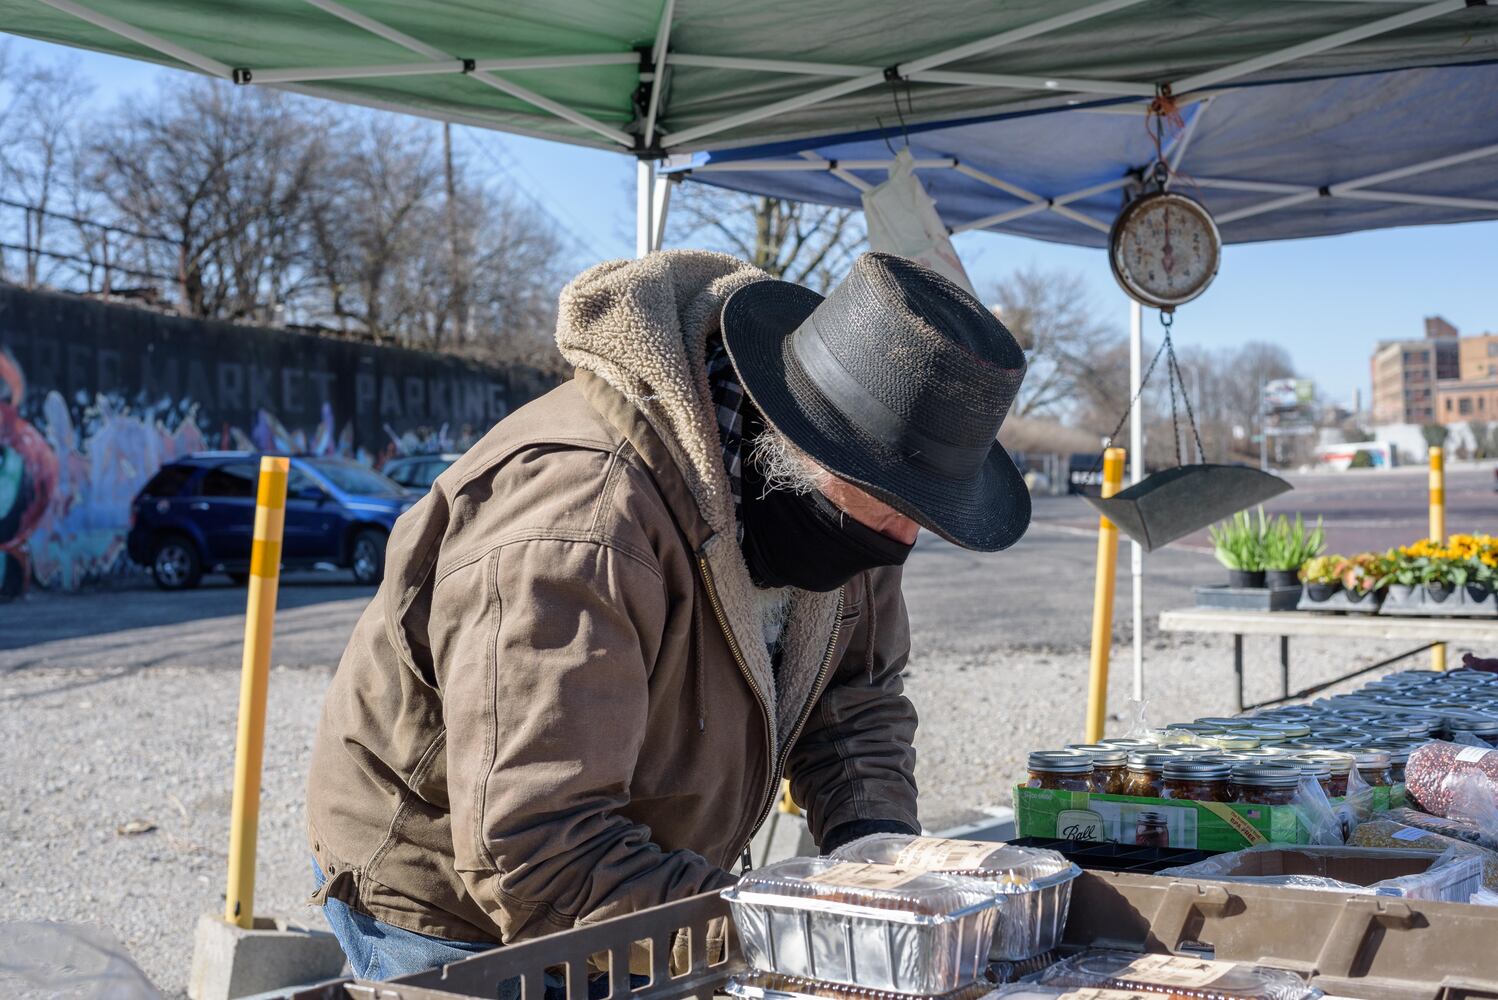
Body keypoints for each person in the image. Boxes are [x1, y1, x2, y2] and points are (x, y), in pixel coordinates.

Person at [306, 250, 1031, 979]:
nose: (901, 540)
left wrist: (876, 855)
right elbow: (535, 845)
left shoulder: (834, 504)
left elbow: (853, 700)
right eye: (890, 503)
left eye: (922, 514)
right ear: (792, 446)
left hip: (642, 873)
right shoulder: (581, 519)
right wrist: (780, 939)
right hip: (453, 906)